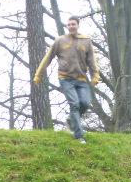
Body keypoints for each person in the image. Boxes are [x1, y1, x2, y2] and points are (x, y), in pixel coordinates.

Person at [33, 16, 99, 144]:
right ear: (67, 27)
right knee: (74, 104)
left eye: (73, 24)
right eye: (69, 25)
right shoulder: (60, 41)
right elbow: (47, 58)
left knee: (84, 103)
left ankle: (70, 121)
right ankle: (79, 135)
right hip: (65, 78)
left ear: (78, 25)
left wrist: (95, 76)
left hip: (81, 79)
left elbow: (92, 60)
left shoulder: (86, 41)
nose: (71, 26)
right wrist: (38, 75)